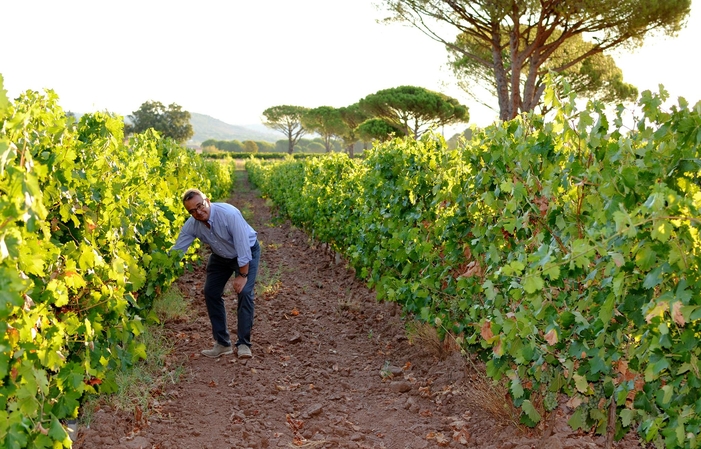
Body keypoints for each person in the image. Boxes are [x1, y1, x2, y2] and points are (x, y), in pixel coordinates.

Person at [172, 188, 260, 359]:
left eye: (200, 206)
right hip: (220, 256)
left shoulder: (229, 214)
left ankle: (243, 344)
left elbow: (242, 247)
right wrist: (160, 265)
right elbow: (177, 251)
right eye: (192, 211)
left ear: (208, 201)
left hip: (246, 252)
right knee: (211, 292)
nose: (198, 212)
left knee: (245, 292)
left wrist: (242, 275)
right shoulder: (192, 224)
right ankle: (222, 343)